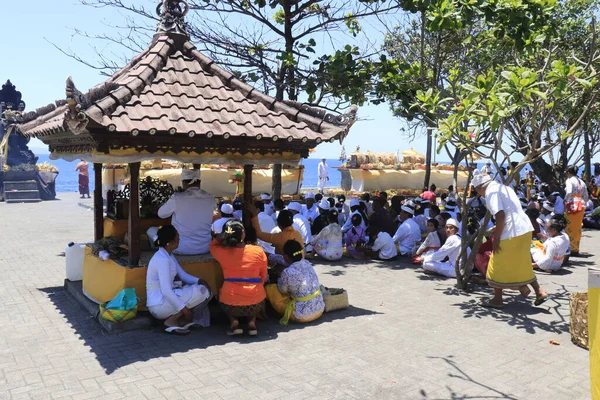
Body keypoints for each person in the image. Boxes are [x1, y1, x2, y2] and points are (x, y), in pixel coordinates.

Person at [472, 174, 548, 308]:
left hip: (512, 232)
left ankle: (497, 299)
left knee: (495, 264)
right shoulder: (504, 188)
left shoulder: (491, 192)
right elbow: (510, 213)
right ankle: (539, 291)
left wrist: (497, 238)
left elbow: (500, 216)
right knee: (522, 262)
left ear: (480, 188)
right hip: (524, 229)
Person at [146, 226, 212, 335]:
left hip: (162, 301)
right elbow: (166, 291)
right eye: (178, 238)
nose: (179, 240)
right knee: (202, 291)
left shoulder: (168, 255)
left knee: (203, 288)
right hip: (158, 305)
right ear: (170, 242)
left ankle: (181, 320)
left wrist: (199, 280)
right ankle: (172, 321)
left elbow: (183, 275)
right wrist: (185, 310)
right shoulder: (162, 259)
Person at [209, 220, 267, 336]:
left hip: (231, 298)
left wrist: (222, 236)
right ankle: (251, 322)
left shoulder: (222, 252)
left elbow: (212, 245)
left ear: (226, 235)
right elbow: (263, 276)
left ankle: (233, 321)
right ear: (243, 233)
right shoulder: (258, 250)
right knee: (256, 290)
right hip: (255, 299)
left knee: (222, 293)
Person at [265, 240, 325, 325]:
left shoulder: (287, 272)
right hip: (319, 309)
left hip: (303, 315)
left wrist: (279, 276)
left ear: (286, 256)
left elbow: (282, 290)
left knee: (271, 288)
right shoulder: (307, 263)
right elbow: (282, 259)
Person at [158, 169, 216, 255]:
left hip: (180, 247)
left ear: (183, 183)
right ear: (199, 182)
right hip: (205, 247)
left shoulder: (177, 197)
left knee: (151, 231)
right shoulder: (210, 198)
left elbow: (161, 214)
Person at [564, 165, 589, 255]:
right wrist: (583, 203)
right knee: (577, 227)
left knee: (568, 227)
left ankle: (568, 247)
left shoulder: (569, 180)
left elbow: (569, 192)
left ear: (568, 172)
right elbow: (586, 196)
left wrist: (565, 200)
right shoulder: (582, 182)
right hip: (581, 206)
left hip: (572, 205)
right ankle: (575, 248)